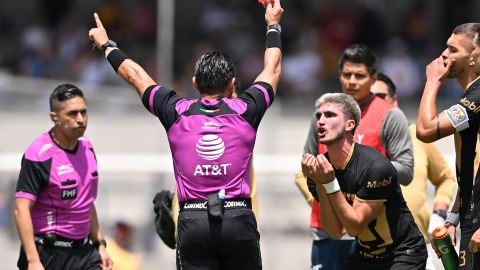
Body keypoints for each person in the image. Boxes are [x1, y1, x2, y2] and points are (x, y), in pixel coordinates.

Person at [89, 0, 283, 268]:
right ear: (231, 85)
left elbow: (136, 76)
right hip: (238, 219)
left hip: (193, 221)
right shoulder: (247, 110)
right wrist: (273, 24)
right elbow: (272, 70)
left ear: (194, 83)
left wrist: (106, 44)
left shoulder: (176, 111)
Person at [295, 44, 413, 270]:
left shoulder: (390, 115)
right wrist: (322, 198)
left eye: (359, 75)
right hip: (326, 230)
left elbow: (406, 172)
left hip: (371, 232)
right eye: (346, 74)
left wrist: (367, 171)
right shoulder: (322, 113)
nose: (351, 81)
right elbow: (307, 164)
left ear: (373, 77)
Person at [302, 93, 427, 270]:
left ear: (350, 124)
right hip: (365, 256)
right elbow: (335, 231)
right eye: (318, 116)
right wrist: (320, 183)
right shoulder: (320, 171)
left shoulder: (376, 167)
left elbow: (354, 227)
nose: (321, 121)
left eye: (330, 115)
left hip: (403, 253)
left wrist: (329, 183)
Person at [14, 84, 112, 270]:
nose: (81, 119)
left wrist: (100, 244)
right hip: (49, 254)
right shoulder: (39, 155)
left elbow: (86, 200)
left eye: (84, 112)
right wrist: (33, 261)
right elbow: (21, 210)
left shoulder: (87, 148)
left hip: (85, 254)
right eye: (72, 114)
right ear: (55, 117)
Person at [371, 73, 455, 269]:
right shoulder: (357, 143)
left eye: (381, 97)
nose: (376, 104)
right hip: (372, 253)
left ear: (394, 101)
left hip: (416, 248)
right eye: (369, 99)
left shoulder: (418, 136)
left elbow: (445, 178)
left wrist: (439, 213)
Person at [416, 23, 480, 270]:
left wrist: (432, 82)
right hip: (468, 220)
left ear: (473, 57)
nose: (444, 54)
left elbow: (425, 130)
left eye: (453, 49)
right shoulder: (469, 97)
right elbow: (471, 170)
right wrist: (453, 218)